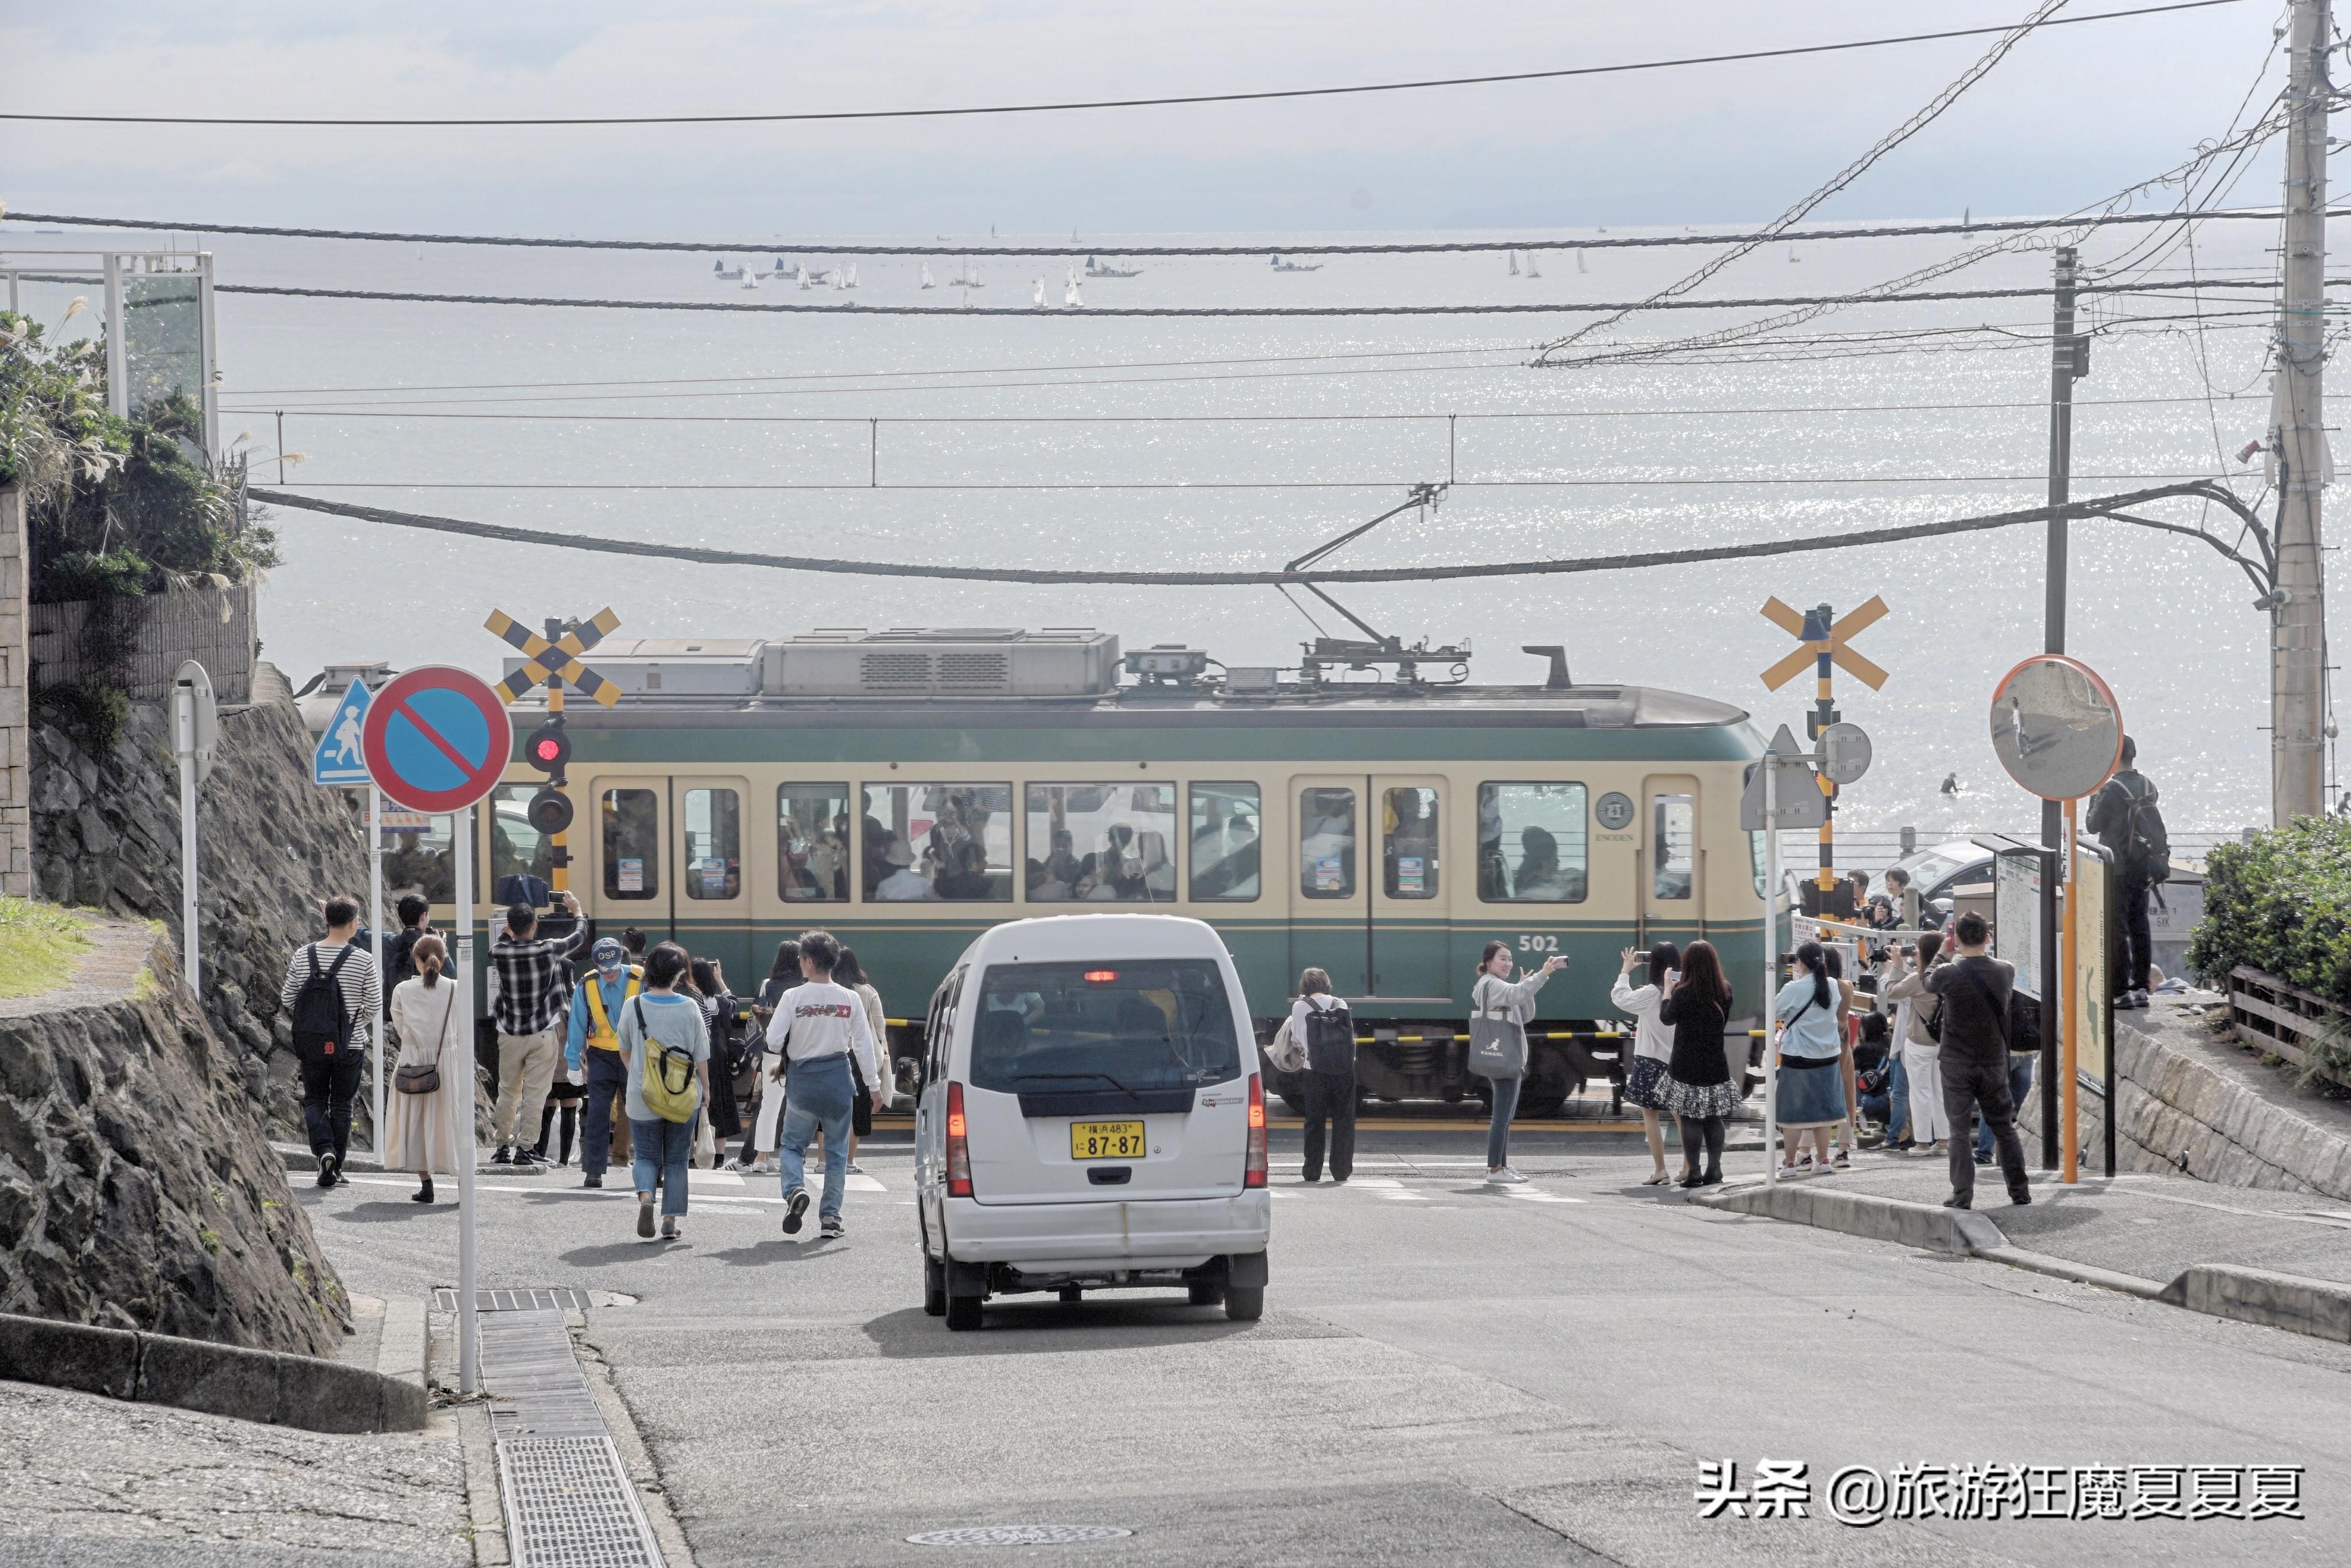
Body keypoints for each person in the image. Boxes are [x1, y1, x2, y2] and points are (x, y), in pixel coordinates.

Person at [763, 929, 886, 1240]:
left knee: (792, 1146)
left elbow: (773, 1042)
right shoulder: (851, 998)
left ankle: (795, 1191)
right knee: (835, 1153)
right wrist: (873, 1086)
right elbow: (864, 1046)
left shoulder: (793, 997)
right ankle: (831, 1218)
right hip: (838, 1080)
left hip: (804, 1081)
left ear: (807, 962)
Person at [1925, 912, 2031, 1210]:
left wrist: (1941, 955)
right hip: (1994, 1061)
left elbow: (1928, 982)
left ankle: (1962, 1195)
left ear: (1957, 939)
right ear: (1988, 938)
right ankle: (2020, 1192)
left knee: (1958, 1130)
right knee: (2003, 1127)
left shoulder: (1948, 973)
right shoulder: (2005, 971)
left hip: (1957, 1062)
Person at [278, 896, 383, 1189]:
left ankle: (324, 1151)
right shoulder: (363, 959)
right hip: (349, 1046)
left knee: (314, 1099)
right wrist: (351, 1027)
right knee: (342, 1103)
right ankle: (335, 1166)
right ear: (353, 923)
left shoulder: (303, 955)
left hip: (312, 1043)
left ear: (326, 920)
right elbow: (375, 1004)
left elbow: (287, 998)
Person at [615, 942, 711, 1241]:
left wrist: (641, 1078)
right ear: (679, 974)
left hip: (644, 1097)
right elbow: (701, 1056)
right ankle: (670, 1221)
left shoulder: (634, 1005)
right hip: (683, 1097)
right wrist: (705, 1091)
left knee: (645, 1156)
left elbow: (625, 1050)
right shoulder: (690, 1007)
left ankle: (646, 1200)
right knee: (677, 1160)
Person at [488, 892, 588, 1166]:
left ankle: (502, 1146)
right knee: (536, 1093)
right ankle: (526, 1149)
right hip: (542, 1033)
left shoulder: (500, 952)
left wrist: (510, 931)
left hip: (508, 1033)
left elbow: (502, 941)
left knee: (508, 1091)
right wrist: (577, 910)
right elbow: (579, 936)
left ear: (509, 927)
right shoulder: (548, 949)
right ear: (535, 926)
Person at [1471, 940, 1567, 1184]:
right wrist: (1543, 975)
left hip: (1505, 1057)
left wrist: (1526, 988)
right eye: (1503, 958)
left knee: (1504, 1117)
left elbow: (1525, 1015)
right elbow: (1516, 994)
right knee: (1502, 1118)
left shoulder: (1495, 986)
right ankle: (1495, 1169)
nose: (1508, 963)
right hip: (1507, 1059)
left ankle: (1501, 1166)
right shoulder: (1492, 985)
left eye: (1510, 959)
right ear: (1489, 961)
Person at [385, 934, 468, 1203]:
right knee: (454, 1120)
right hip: (450, 1062)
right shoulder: (458, 988)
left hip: (414, 1061)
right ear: (444, 960)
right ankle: (462, 1182)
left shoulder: (402, 991)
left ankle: (426, 1183)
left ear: (415, 959)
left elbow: (400, 1028)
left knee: (417, 1121)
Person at [2086, 735, 2165, 1009]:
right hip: (2143, 866)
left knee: (2117, 928)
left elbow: (2092, 825)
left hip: (2116, 867)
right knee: (2140, 924)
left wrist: (2094, 790)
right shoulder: (2148, 785)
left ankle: (2120, 991)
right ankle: (2141, 987)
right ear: (2133, 755)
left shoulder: (2109, 791)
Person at [1656, 939, 1735, 1187]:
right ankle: (1715, 1169)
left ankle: (1694, 1172)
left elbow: (1667, 1019)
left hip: (1685, 1064)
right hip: (1715, 1062)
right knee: (1714, 1117)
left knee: (1690, 1118)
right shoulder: (1725, 990)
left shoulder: (1683, 993)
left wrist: (1668, 990)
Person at [564, 937, 641, 1188]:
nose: (609, 975)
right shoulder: (587, 985)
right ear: (596, 965)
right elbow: (576, 1024)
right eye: (604, 971)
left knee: (642, 1112)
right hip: (601, 1057)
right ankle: (594, 1171)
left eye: (613, 970)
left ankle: (651, 1166)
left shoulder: (639, 980)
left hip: (635, 1056)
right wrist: (573, 1062)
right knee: (597, 1112)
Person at [1772, 943, 1848, 1175]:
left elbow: (1774, 1011)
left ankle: (1790, 1163)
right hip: (1827, 1056)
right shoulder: (1832, 985)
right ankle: (1824, 1160)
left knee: (1792, 1114)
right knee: (1823, 1113)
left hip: (1798, 1056)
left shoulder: (1793, 988)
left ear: (1801, 963)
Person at [1611, 942, 1680, 1186]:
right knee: (1680, 1115)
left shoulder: (1651, 993)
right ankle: (1689, 1167)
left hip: (1651, 1060)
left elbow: (1620, 998)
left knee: (1651, 1117)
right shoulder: (1683, 990)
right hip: (1678, 1061)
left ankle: (1661, 1169)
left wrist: (1625, 971)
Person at [1881, 933, 1949, 1156]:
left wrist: (1896, 966)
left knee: (1920, 1093)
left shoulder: (1918, 978)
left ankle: (1921, 1142)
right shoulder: (1949, 975)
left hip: (1919, 1042)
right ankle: (1943, 1141)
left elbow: (1891, 991)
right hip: (1944, 1043)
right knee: (1940, 1092)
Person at [738, 939, 802, 1171]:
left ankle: (761, 1159)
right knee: (798, 1107)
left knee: (769, 1105)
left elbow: (755, 1018)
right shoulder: (802, 987)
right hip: (798, 1052)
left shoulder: (767, 985)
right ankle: (792, 1157)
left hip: (772, 1051)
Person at [1291, 968, 1356, 1184]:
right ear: (1326, 983)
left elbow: (1297, 1040)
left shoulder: (1300, 1007)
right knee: (1344, 1120)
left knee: (1314, 1122)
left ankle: (1312, 1171)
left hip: (1314, 1071)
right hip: (1344, 1070)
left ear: (1305, 986)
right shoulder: (1341, 1004)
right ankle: (1341, 1170)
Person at [832, 947, 889, 1174]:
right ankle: (849, 1161)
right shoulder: (867, 992)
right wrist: (882, 1048)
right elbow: (880, 1025)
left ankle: (824, 1161)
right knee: (859, 1107)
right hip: (860, 1054)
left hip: (836, 1052)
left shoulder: (832, 991)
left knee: (831, 1107)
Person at [690, 957, 744, 1169]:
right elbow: (734, 1002)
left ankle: (692, 1157)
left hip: (698, 1055)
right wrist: (720, 980)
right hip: (719, 1056)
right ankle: (719, 1158)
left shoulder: (691, 1001)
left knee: (694, 1103)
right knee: (721, 1106)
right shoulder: (720, 1002)